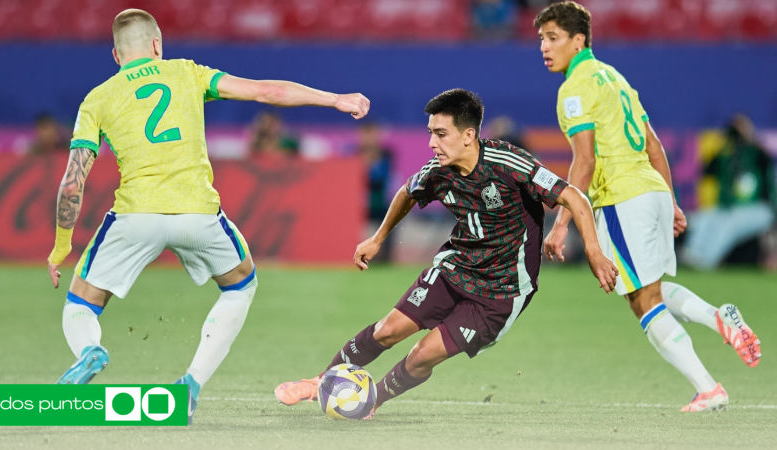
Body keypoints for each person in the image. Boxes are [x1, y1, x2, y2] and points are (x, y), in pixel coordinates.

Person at [46, 9, 369, 424]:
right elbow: (266, 92)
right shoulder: (187, 73)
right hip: (199, 213)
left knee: (81, 304)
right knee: (241, 285)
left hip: (136, 214)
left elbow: (72, 183)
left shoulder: (98, 98)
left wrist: (60, 247)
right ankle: (190, 387)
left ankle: (91, 351)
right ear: (157, 46)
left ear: (115, 54)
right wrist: (335, 99)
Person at [274, 88, 619, 418]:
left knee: (423, 355)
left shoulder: (509, 164)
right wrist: (378, 239)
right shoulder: (438, 171)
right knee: (386, 330)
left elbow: (573, 195)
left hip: (500, 292)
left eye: (440, 133)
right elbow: (407, 192)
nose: (431, 143)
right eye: (430, 133)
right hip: (455, 268)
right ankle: (319, 381)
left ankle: (370, 400)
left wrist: (593, 250)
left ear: (468, 135)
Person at [534, 1, 761, 412]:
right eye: (541, 40)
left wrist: (562, 220)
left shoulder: (573, 89)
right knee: (648, 287)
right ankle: (718, 319)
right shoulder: (616, 78)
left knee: (642, 301)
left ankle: (709, 388)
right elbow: (654, 145)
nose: (544, 48)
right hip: (651, 189)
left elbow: (583, 161)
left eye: (553, 38)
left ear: (578, 39)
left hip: (623, 197)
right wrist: (671, 202)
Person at [682, 114, 776, 269]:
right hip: (731, 208)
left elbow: (765, 162)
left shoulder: (759, 155)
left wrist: (748, 135)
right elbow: (707, 169)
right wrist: (724, 143)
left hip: (759, 209)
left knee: (728, 224)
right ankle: (692, 255)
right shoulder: (726, 156)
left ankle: (707, 260)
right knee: (705, 218)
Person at [358, 122, 394, 261]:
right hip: (358, 205)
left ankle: (385, 257)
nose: (368, 138)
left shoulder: (386, 155)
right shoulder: (354, 154)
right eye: (365, 134)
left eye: (372, 134)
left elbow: (380, 180)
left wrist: (370, 165)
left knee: (393, 217)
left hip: (379, 203)